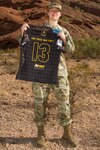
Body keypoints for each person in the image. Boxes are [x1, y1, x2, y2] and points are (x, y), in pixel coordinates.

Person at [21, 2, 76, 147]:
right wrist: (24, 32)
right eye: (51, 11)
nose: (54, 13)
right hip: (41, 72)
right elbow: (25, 44)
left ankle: (66, 133)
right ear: (48, 13)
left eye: (56, 11)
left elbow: (71, 50)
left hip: (59, 72)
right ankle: (40, 134)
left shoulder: (64, 30)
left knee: (64, 102)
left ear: (60, 14)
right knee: (40, 102)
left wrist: (63, 38)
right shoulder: (39, 29)